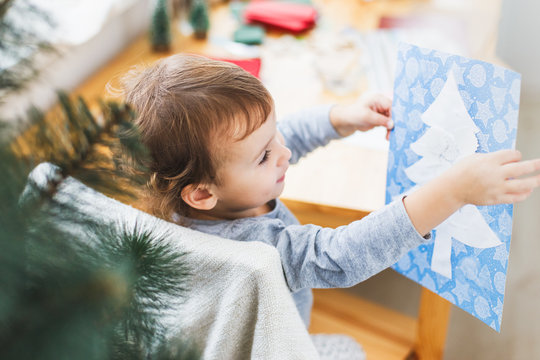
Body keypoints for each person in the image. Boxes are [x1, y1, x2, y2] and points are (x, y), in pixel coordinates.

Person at [122, 54, 540, 327]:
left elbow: (281, 140)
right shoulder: (253, 252)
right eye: (265, 156)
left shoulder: (204, 194)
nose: (283, 151)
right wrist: (452, 190)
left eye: (275, 134)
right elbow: (341, 255)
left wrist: (341, 117)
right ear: (201, 194)